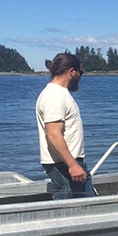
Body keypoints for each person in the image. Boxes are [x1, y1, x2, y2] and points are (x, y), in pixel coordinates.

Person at [36, 53, 94, 199]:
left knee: (86, 208)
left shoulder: (59, 94)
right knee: (69, 211)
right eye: (81, 73)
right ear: (72, 71)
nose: (81, 77)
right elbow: (53, 134)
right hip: (64, 164)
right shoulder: (54, 96)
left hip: (68, 162)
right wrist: (73, 165)